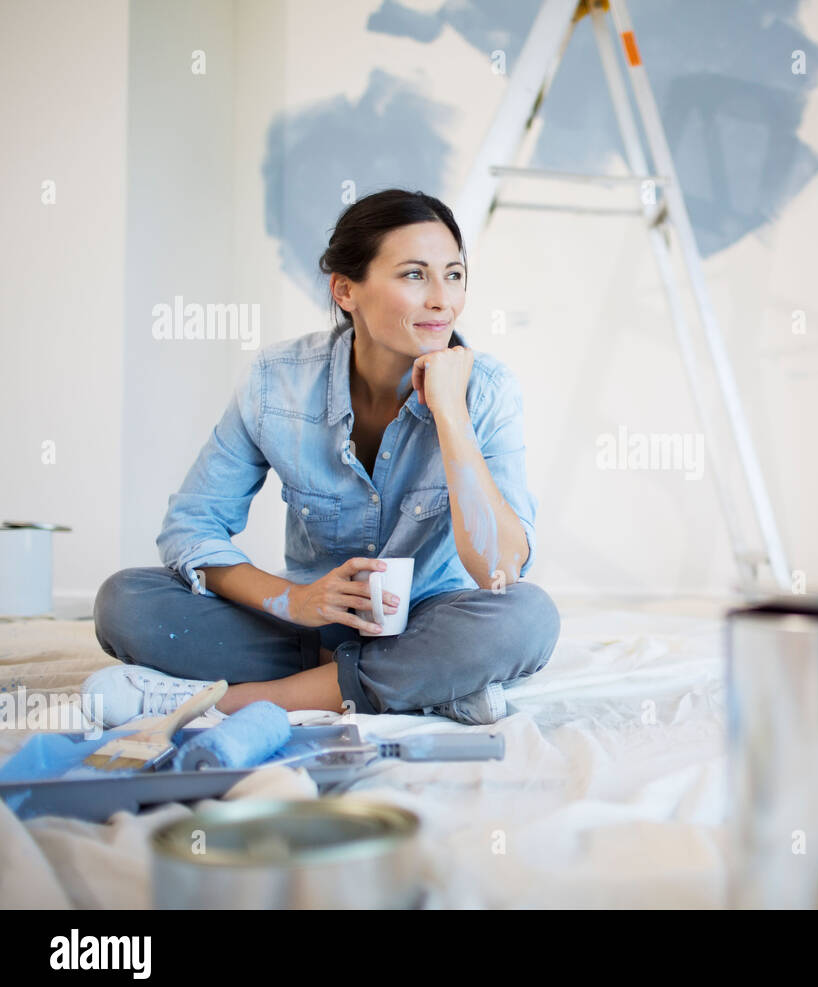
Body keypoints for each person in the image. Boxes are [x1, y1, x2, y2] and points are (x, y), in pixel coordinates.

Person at [85, 189, 560, 727]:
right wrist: (294, 601)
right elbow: (191, 527)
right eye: (413, 275)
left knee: (526, 619)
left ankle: (241, 701)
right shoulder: (277, 381)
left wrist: (451, 414)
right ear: (345, 290)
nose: (442, 300)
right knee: (126, 602)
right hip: (310, 629)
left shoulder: (488, 389)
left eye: (453, 275)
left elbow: (500, 569)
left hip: (431, 620)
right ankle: (417, 683)